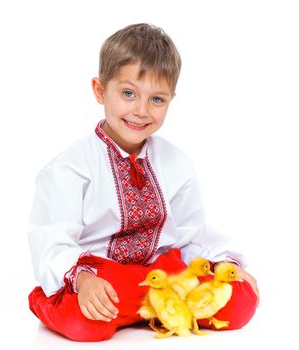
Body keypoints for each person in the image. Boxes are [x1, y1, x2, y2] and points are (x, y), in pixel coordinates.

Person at [28, 23, 259, 342]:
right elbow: (53, 239)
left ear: (171, 100)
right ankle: (52, 301)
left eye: (157, 99)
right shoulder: (70, 167)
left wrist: (224, 263)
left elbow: (191, 235)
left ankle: (153, 307)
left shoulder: (177, 163)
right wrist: (83, 280)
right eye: (128, 94)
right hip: (103, 278)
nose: (141, 111)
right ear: (99, 90)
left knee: (241, 299)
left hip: (162, 276)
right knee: (86, 323)